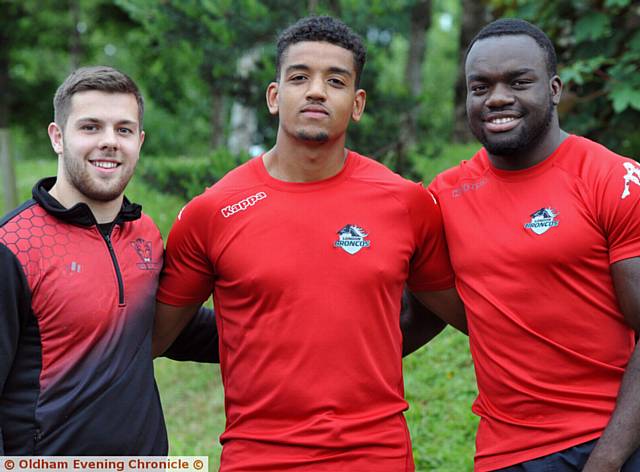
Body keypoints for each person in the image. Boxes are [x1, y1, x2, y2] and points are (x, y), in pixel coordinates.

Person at [153, 15, 465, 472]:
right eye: (299, 77)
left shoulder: (405, 202)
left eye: (335, 81)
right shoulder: (213, 211)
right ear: (275, 97)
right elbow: (154, 338)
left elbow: (453, 310)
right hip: (258, 457)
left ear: (357, 104)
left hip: (376, 456)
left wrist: (371, 349)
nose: (316, 90)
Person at [404, 18, 640, 472]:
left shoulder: (612, 179)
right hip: (506, 453)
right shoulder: (444, 198)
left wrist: (607, 460)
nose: (496, 98)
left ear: (554, 88)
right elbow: (411, 318)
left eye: (518, 82)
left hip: (615, 440)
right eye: (480, 87)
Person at [0, 66, 216, 455]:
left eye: (123, 129)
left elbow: (162, 326)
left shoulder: (145, 233)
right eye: (90, 127)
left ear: (140, 140)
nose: (109, 142)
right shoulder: (13, 246)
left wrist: (272, 328)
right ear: (57, 137)